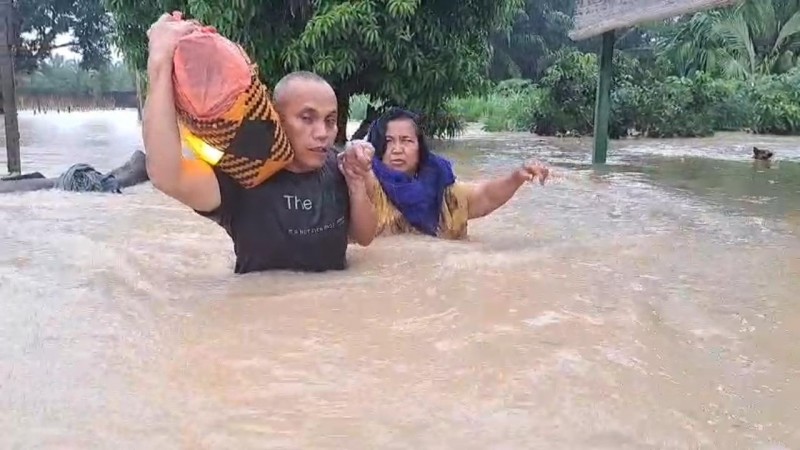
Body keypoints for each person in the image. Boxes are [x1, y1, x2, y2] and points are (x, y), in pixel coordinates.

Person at [143, 13, 377, 274]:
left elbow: (364, 238)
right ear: (275, 118)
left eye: (330, 121)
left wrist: (357, 184)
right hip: (258, 310)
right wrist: (159, 66)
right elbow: (167, 176)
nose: (322, 132)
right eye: (307, 118)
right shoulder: (242, 178)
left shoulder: (341, 167)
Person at [365, 107, 550, 239]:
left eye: (406, 141)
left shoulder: (443, 189)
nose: (397, 149)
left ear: (420, 147)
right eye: (389, 141)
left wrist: (516, 177)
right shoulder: (366, 182)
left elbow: (484, 196)